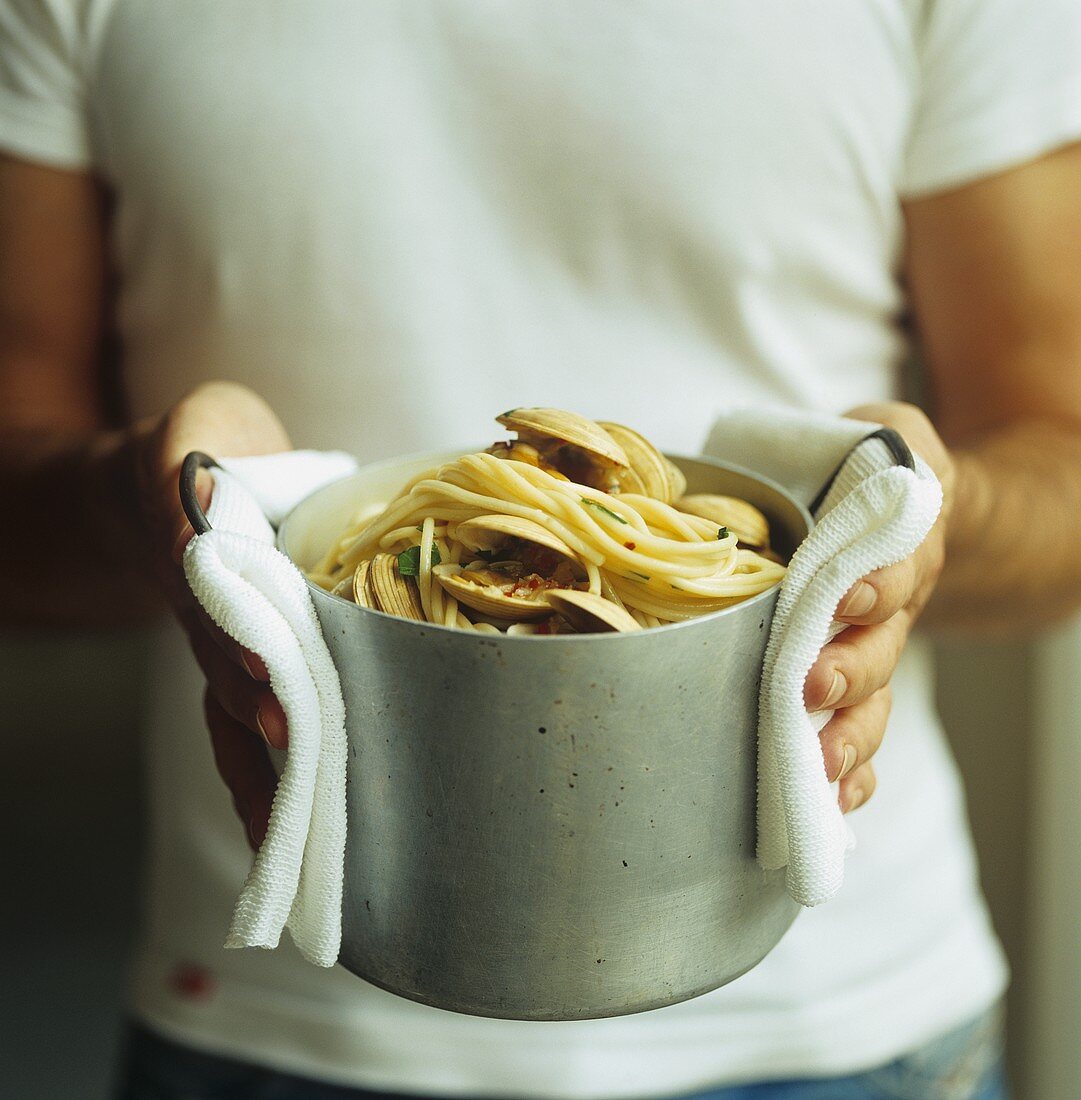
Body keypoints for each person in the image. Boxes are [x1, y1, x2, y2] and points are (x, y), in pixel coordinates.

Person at [3, 2, 1081, 1097]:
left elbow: (1063, 475)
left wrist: (907, 516)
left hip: (836, 1022)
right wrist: (154, 500)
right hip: (274, 1010)